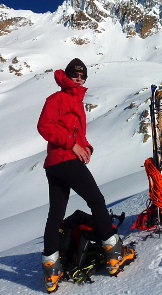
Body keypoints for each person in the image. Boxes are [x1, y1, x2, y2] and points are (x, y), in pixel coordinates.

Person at [37, 58, 134, 292]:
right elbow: (44, 127)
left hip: (57, 165)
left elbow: (75, 133)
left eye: (83, 76)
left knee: (56, 214)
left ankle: (52, 272)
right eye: (75, 75)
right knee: (96, 201)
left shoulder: (76, 101)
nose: (79, 79)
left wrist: (86, 146)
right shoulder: (57, 98)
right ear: (66, 76)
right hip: (64, 160)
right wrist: (72, 145)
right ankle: (113, 253)